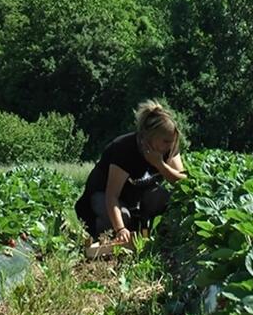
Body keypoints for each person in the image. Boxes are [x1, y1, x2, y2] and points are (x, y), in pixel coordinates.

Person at [75, 99, 187, 243]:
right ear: (149, 137)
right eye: (165, 141)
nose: (169, 145)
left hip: (135, 199)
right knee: (122, 217)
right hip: (102, 198)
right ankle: (100, 235)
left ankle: (161, 236)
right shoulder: (124, 149)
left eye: (172, 141)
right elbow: (111, 196)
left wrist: (160, 164)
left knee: (167, 197)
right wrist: (120, 229)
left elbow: (183, 183)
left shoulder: (168, 148)